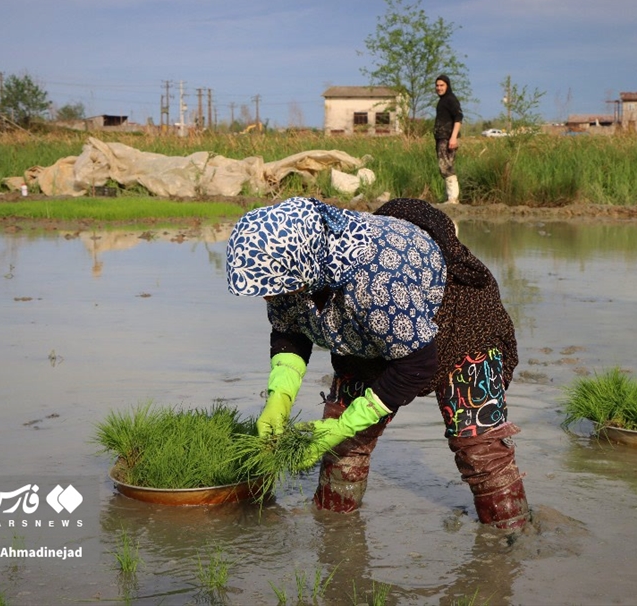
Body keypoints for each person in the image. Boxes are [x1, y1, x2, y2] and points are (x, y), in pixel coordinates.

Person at [225, 196, 529, 529]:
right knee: (343, 450)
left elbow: (416, 366)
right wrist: (279, 397)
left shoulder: (378, 280)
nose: (268, 296)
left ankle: (509, 538)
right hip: (367, 336)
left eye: (272, 287)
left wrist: (345, 424)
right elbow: (290, 329)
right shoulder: (299, 269)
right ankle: (335, 534)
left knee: (479, 447)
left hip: (457, 327)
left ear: (303, 263)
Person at [434, 75, 463, 204]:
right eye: (437, 85)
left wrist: (453, 138)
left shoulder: (451, 99)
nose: (439, 88)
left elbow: (458, 118)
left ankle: (453, 198)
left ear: (447, 86)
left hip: (447, 138)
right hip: (442, 138)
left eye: (442, 85)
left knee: (445, 167)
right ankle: (451, 198)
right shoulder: (443, 100)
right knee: (446, 166)